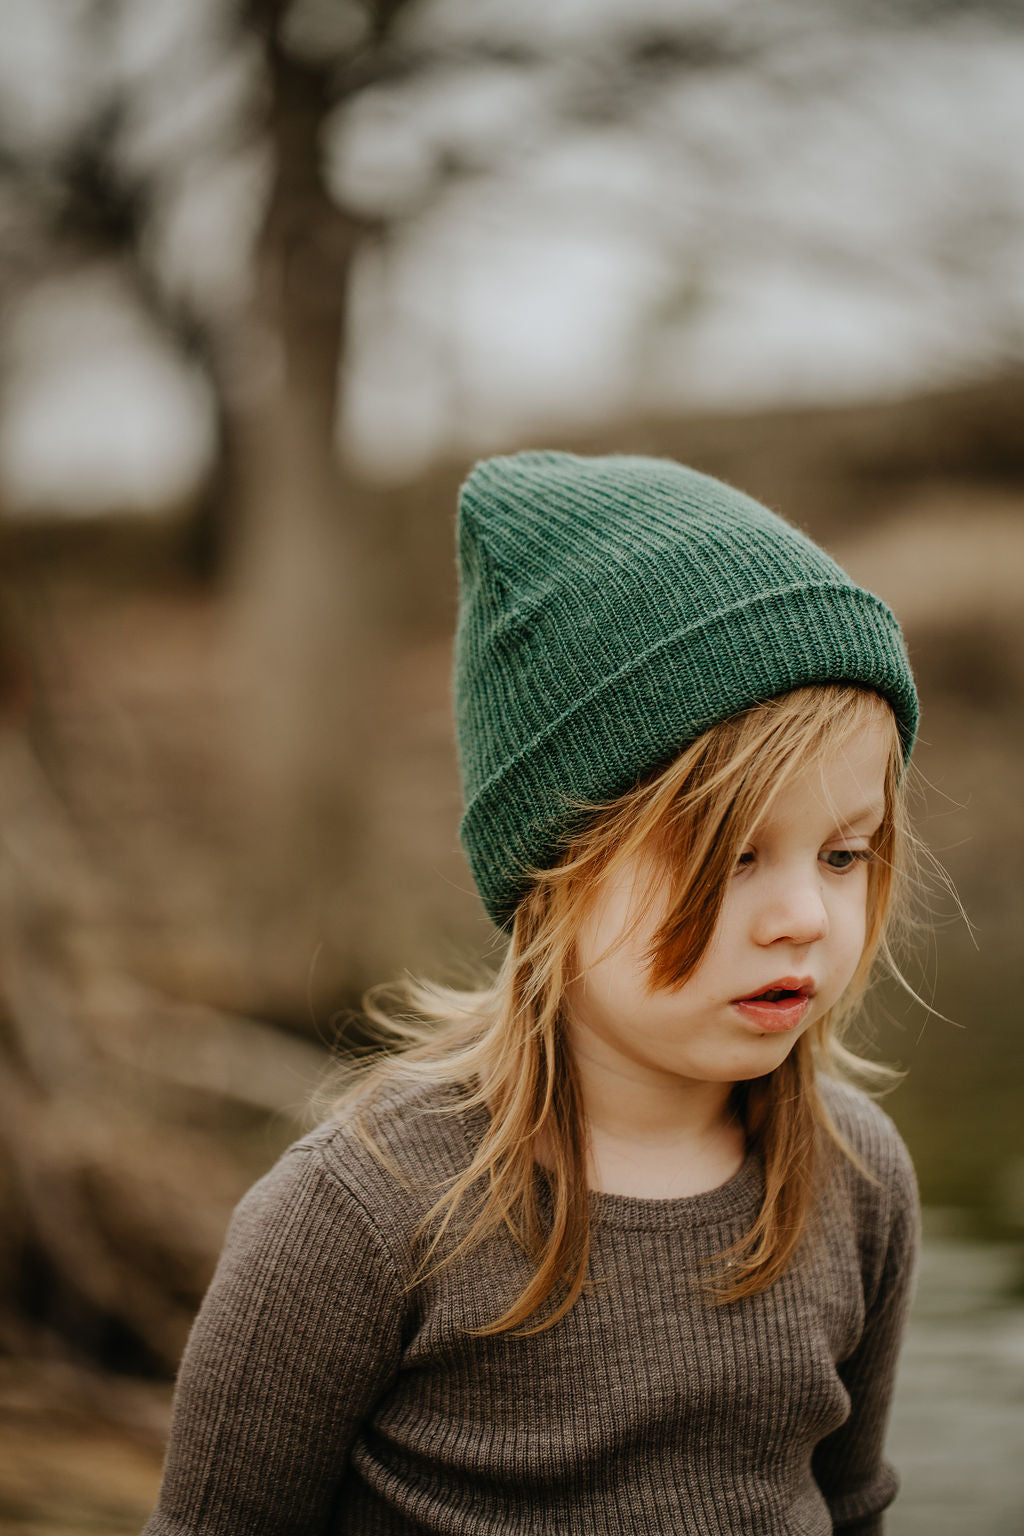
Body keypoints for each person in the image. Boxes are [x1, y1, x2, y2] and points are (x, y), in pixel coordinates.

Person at [143, 452, 923, 1535]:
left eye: (844, 855)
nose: (804, 915)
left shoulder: (856, 1179)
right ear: (553, 869)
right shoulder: (361, 1215)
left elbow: (849, 1506)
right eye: (733, 856)